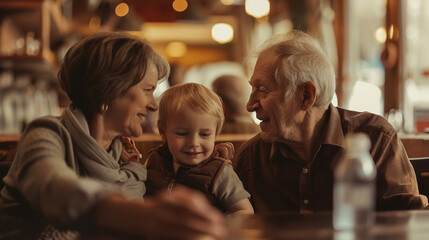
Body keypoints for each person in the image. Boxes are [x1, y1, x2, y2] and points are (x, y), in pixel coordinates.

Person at [0, 32, 228, 239]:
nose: (153, 106)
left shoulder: (124, 159)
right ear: (107, 91)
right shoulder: (47, 134)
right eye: (147, 90)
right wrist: (143, 216)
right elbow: (53, 188)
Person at [234, 30, 428, 214]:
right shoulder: (250, 159)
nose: (250, 105)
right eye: (253, 88)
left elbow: (409, 220)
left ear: (306, 96)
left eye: (262, 89)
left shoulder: (375, 139)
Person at [145, 83, 254, 215]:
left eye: (204, 134)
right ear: (163, 131)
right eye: (182, 133)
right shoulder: (153, 160)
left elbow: (244, 210)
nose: (194, 143)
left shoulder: (220, 172)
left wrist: (219, 227)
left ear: (216, 134)